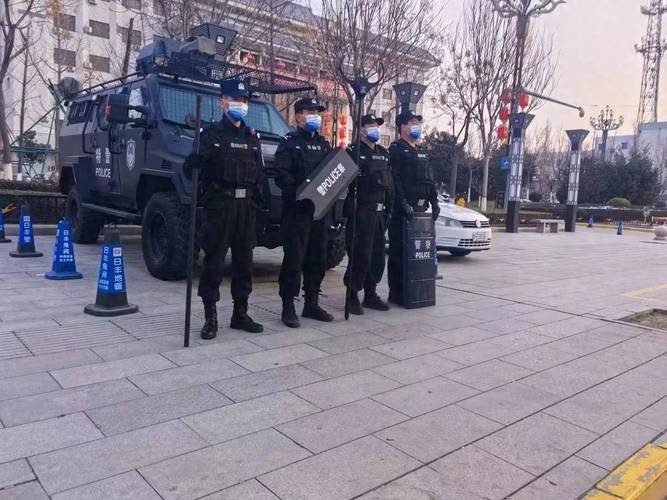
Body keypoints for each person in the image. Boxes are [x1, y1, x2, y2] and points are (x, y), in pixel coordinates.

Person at [183, 79, 265, 339]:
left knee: (244, 263)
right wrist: (195, 161)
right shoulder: (211, 135)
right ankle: (211, 317)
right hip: (220, 207)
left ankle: (240, 314)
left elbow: (259, 174)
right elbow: (191, 171)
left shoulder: (252, 137)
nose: (240, 104)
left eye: (244, 100)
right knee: (215, 262)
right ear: (223, 102)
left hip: (246, 208)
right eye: (235, 99)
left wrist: (259, 205)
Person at [275, 97, 335, 328]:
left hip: (320, 212)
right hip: (297, 212)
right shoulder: (289, 143)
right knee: (294, 258)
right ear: (298, 116)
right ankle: (288, 305)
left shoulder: (324, 144)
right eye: (310, 112)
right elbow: (281, 175)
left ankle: (312, 302)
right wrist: (301, 191)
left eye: (317, 112)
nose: (315, 116)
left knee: (318, 258)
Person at [387, 109, 440, 305]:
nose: (416, 126)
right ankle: (397, 293)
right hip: (402, 210)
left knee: (417, 253)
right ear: (402, 127)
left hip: (420, 211)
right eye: (412, 123)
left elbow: (430, 179)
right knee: (398, 252)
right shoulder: (396, 149)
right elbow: (395, 179)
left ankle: (415, 292)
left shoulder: (422, 151)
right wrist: (402, 203)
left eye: (418, 123)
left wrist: (434, 201)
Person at [344, 114, 392, 314]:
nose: (375, 129)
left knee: (377, 256)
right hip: (361, 211)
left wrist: (389, 209)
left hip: (379, 213)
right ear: (361, 129)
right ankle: (352, 294)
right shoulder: (353, 152)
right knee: (359, 254)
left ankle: (370, 294)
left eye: (377, 126)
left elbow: (389, 184)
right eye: (371, 125)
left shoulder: (383, 153)